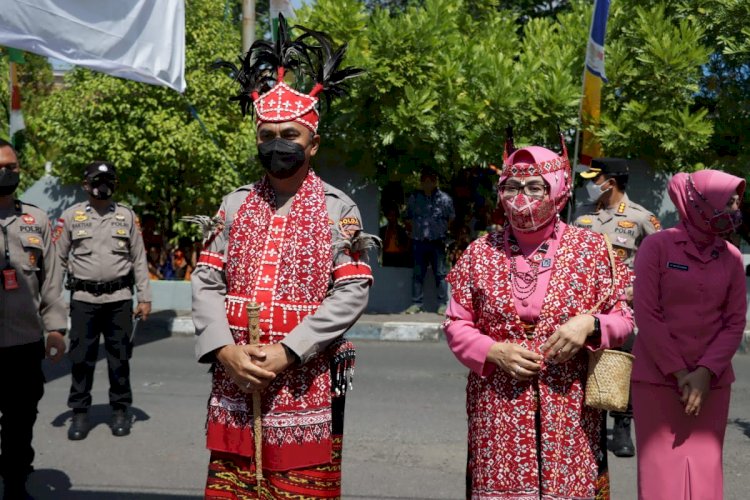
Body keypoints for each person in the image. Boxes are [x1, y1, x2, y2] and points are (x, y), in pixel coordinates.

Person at [191, 17, 372, 499]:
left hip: (305, 376)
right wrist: (223, 350)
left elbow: (352, 289)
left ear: (313, 142)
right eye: (267, 133)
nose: (277, 144)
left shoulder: (339, 209)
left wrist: (290, 349)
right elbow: (206, 280)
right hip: (234, 373)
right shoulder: (232, 205)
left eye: (289, 134)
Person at [444, 138, 634, 499]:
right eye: (512, 187)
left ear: (559, 189)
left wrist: (590, 325)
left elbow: (623, 318)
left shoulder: (591, 249)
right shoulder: (480, 251)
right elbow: (455, 323)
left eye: (535, 187)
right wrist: (493, 351)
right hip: (497, 406)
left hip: (571, 407)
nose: (522, 197)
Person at [632, 170, 746, 500]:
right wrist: (682, 373)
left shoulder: (732, 256)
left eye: (737, 201)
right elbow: (647, 315)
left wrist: (705, 373)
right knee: (660, 481)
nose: (735, 209)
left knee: (705, 479)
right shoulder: (657, 246)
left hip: (712, 386)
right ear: (700, 203)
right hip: (657, 383)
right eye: (728, 201)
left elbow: (734, 322)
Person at [55, 161, 152, 441]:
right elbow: (58, 261)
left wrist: (144, 297)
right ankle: (80, 412)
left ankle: (120, 410)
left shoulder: (126, 216)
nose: (103, 185)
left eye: (108, 179)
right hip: (83, 299)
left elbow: (139, 258)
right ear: (85, 185)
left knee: (119, 358)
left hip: (119, 299)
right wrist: (54, 301)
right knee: (81, 359)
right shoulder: (71, 216)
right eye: (97, 179)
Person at [573, 157, 661, 457]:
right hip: (584, 306)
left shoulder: (641, 218)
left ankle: (622, 425)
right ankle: (591, 428)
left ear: (610, 182)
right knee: (584, 365)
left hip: (623, 306)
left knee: (621, 366)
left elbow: (662, 261)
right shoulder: (581, 214)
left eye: (594, 180)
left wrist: (641, 290)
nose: (589, 185)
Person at [0, 139, 67, 499]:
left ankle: (14, 483)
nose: (5, 172)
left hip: (24, 345)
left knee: (19, 421)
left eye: (11, 166)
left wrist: (55, 329)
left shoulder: (36, 219)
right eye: (0, 166)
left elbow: (52, 280)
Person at [404, 167, 455, 314]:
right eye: (424, 181)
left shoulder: (444, 199)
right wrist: (415, 230)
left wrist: (440, 230)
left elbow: (451, 218)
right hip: (419, 241)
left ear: (435, 182)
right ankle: (416, 304)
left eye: (430, 181)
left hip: (437, 241)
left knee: (440, 273)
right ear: (421, 182)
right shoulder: (415, 198)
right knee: (418, 273)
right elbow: (408, 217)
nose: (427, 184)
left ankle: (443, 304)